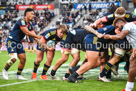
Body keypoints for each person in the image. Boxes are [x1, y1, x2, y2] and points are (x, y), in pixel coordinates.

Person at [2, 8, 41, 80]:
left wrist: (39, 41)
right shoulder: (22, 21)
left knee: (23, 59)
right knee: (14, 58)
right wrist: (38, 36)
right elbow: (26, 32)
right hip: (11, 41)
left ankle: (18, 75)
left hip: (18, 42)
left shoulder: (30, 24)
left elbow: (32, 33)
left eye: (34, 14)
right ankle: (5, 70)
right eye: (32, 14)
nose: (33, 16)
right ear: (27, 14)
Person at [103, 18, 136, 91]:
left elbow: (120, 36)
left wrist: (109, 36)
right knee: (132, 62)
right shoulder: (131, 24)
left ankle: (128, 89)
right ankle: (128, 88)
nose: (117, 28)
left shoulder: (127, 26)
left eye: (117, 26)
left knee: (132, 64)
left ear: (121, 23)